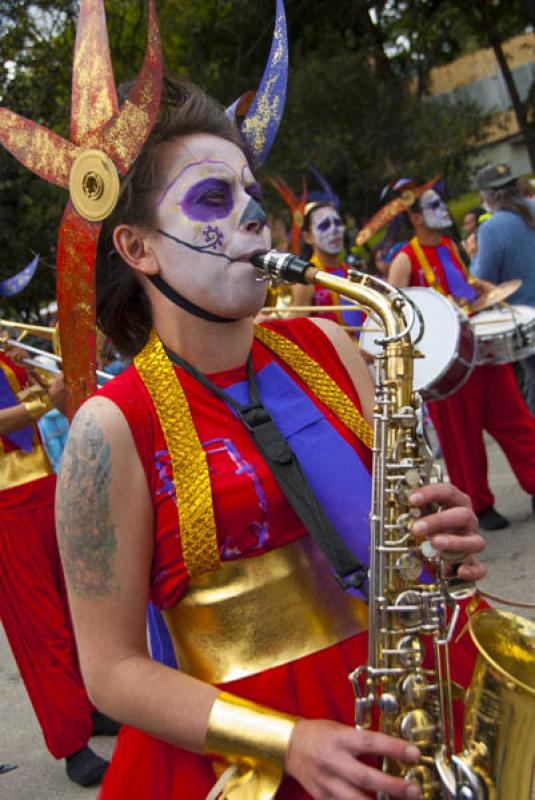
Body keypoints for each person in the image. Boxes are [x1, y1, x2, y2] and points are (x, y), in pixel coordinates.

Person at [52, 76, 488, 800]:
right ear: (136, 247)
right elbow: (109, 671)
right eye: (213, 200)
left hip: (414, 697)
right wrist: (284, 741)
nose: (255, 216)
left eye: (250, 192)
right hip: (251, 756)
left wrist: (440, 542)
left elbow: (402, 532)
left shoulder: (329, 342)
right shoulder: (108, 426)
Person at [385, 178, 535, 529]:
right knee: (461, 439)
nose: (443, 210)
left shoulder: (450, 246)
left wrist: (483, 289)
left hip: (480, 350)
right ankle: (479, 506)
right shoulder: (404, 261)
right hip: (445, 367)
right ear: (417, 218)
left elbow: (465, 285)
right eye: (434, 206)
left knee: (516, 422)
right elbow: (394, 317)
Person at [0, 346, 115, 786]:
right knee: (40, 626)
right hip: (6, 506)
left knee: (74, 609)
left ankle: (88, 705)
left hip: (43, 487)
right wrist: (42, 400)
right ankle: (71, 743)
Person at [471, 162, 535, 417]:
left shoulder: (491, 228)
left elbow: (483, 280)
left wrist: (473, 254)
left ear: (488, 195)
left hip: (527, 322)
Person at [291, 201, 367, 338]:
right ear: (308, 237)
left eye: (338, 223)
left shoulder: (352, 272)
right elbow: (298, 336)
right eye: (324, 225)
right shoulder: (305, 279)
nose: (334, 230)